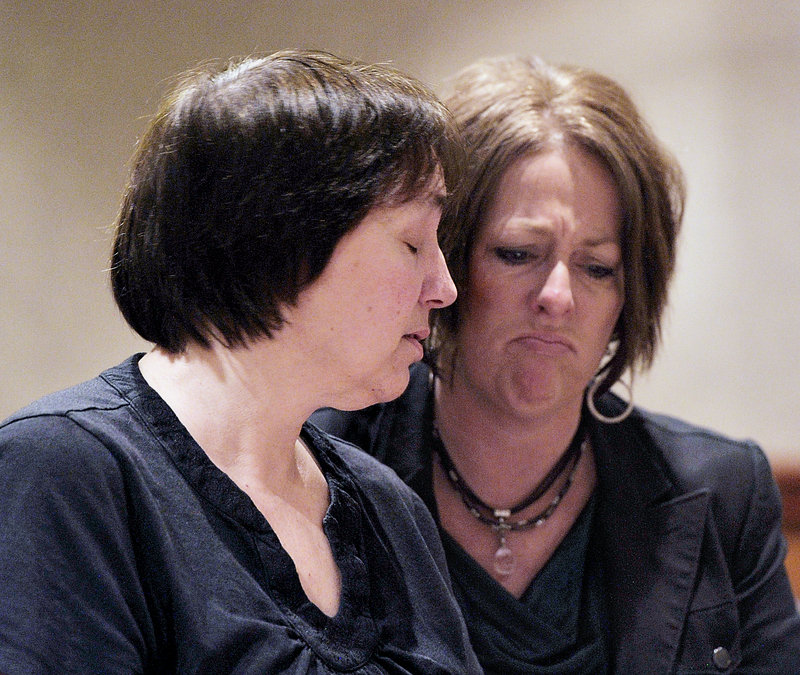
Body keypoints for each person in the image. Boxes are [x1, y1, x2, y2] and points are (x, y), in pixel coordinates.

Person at [312, 54, 800, 673]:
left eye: (597, 268)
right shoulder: (318, 468)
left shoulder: (724, 493)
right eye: (518, 254)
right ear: (443, 263)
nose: (558, 297)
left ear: (631, 297)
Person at [0, 50, 483, 674]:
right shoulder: (67, 474)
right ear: (280, 243)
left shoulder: (388, 505)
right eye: (414, 242)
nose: (444, 286)